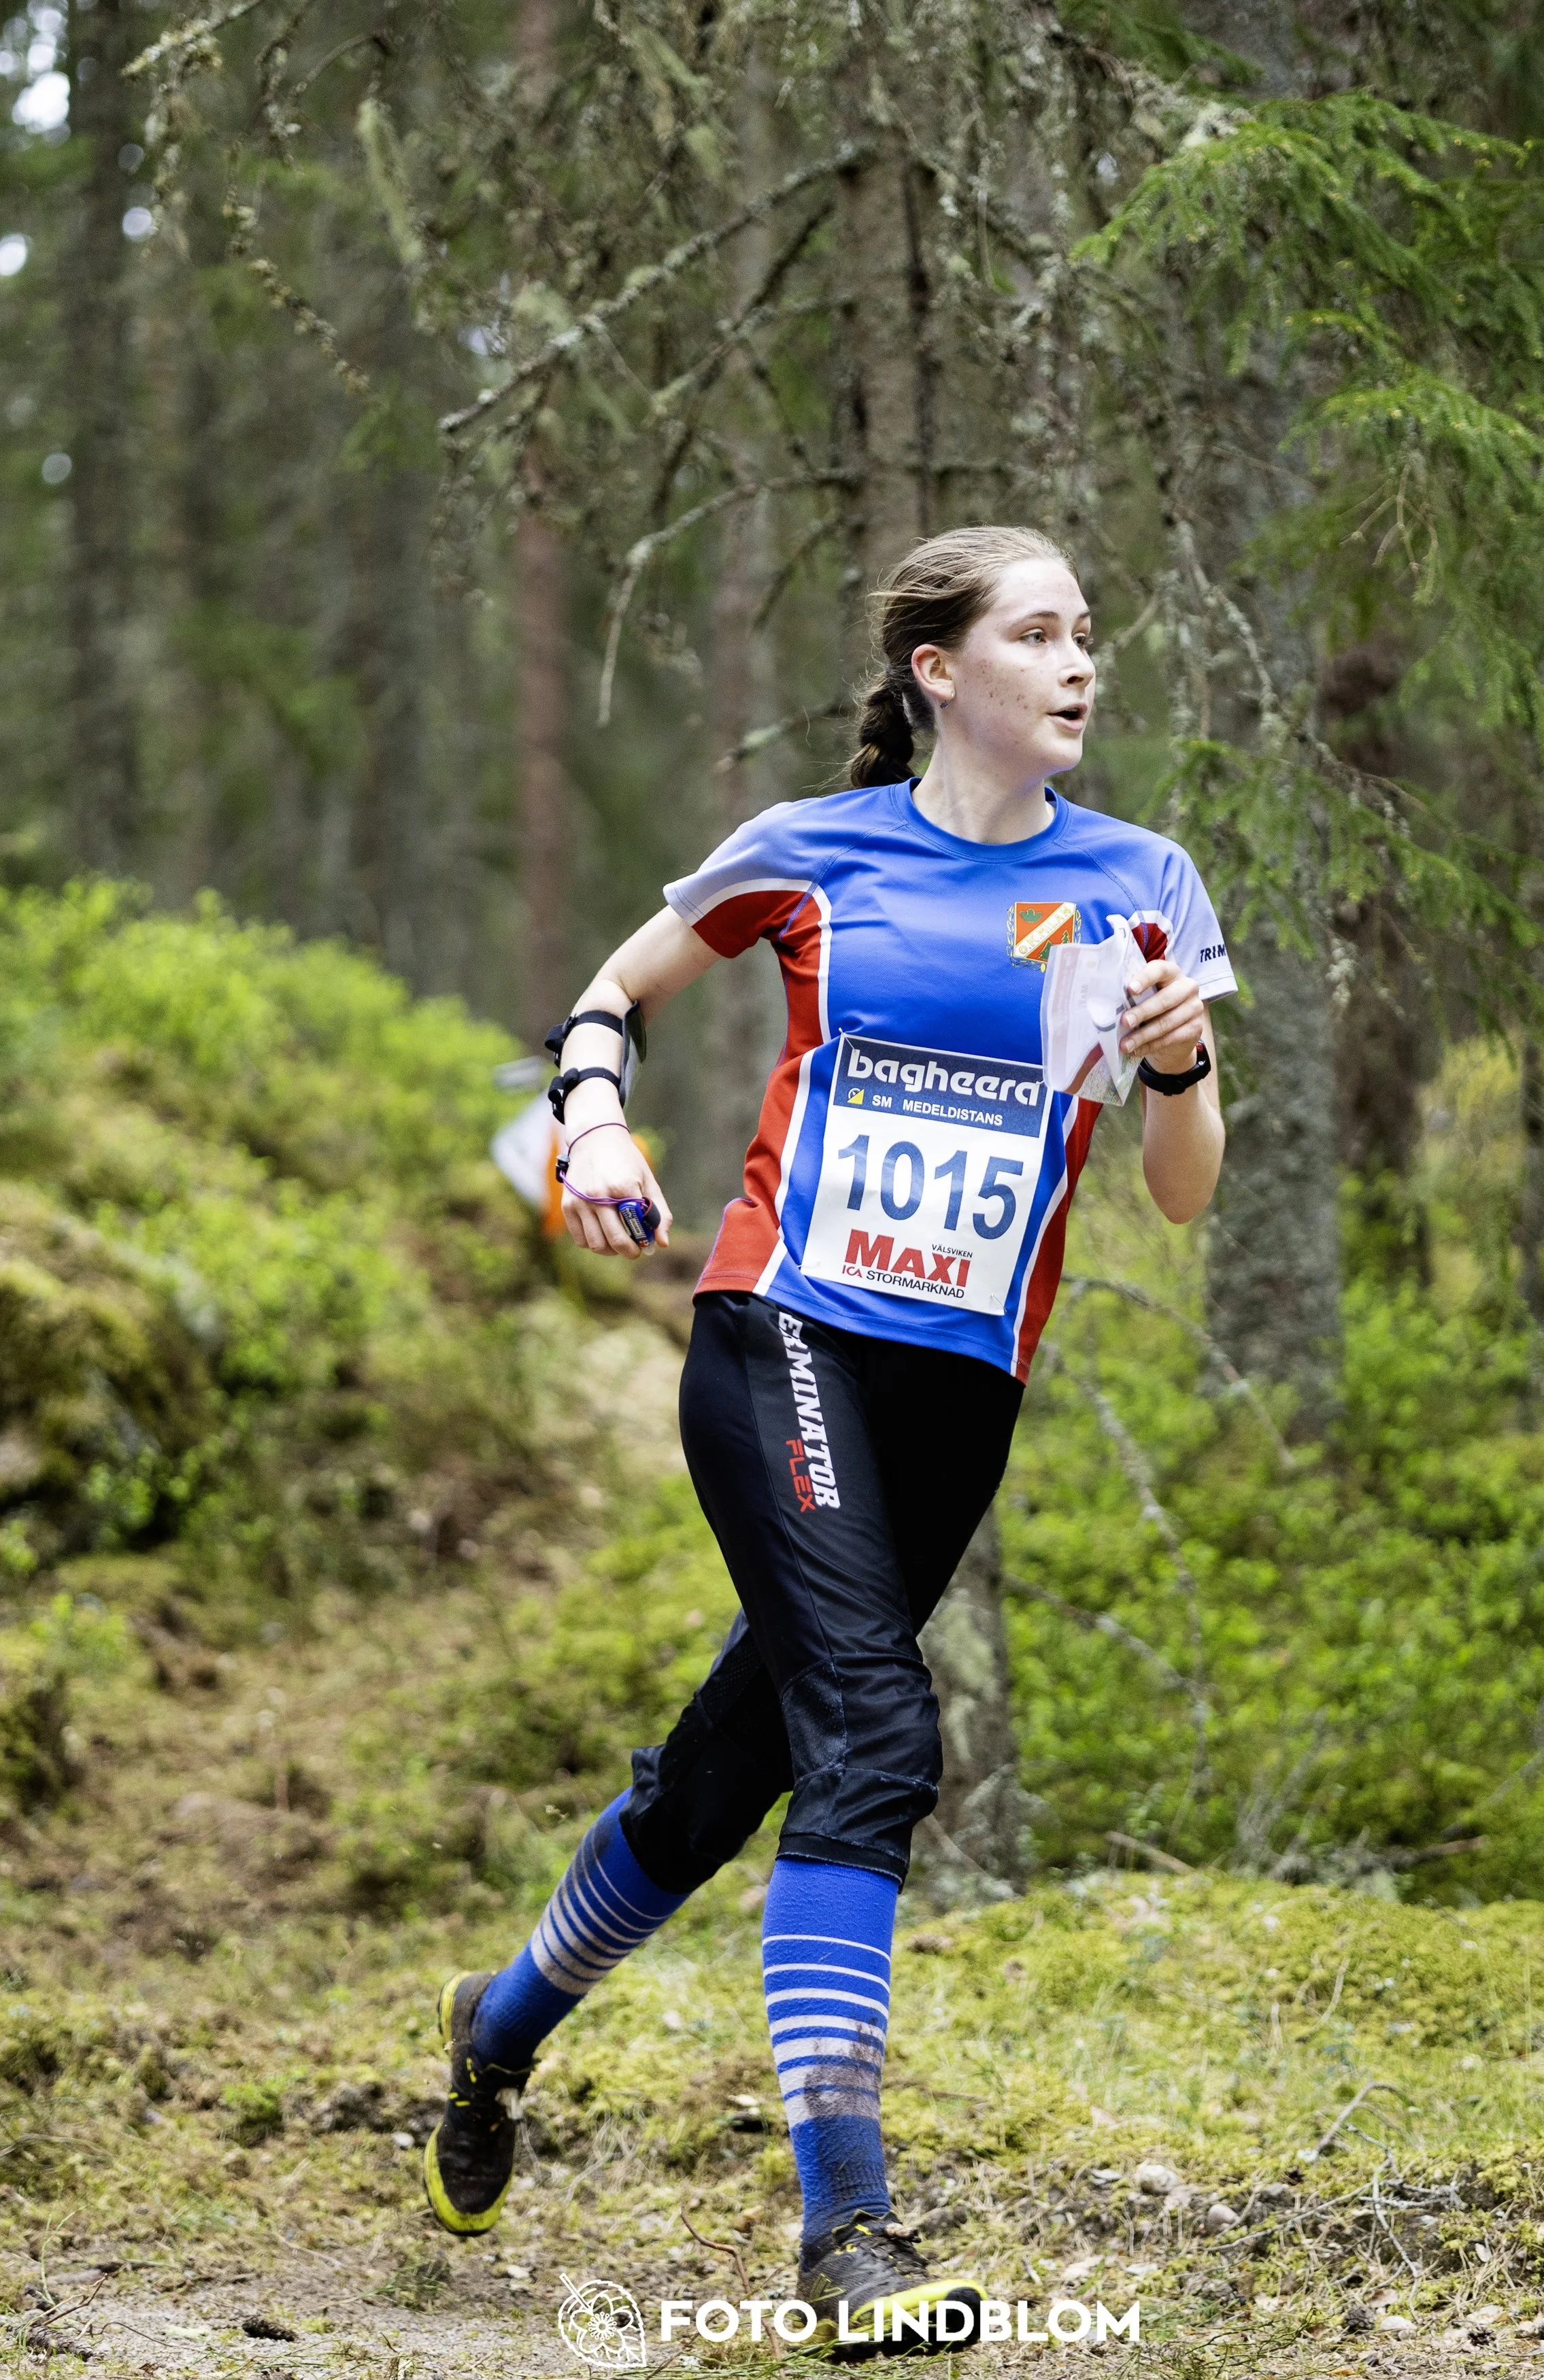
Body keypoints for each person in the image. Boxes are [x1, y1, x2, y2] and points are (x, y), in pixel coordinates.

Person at [422, 525, 1235, 2344]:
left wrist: (1177, 1062)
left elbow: (1180, 1196)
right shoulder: (812, 849)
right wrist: (597, 1128)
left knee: (726, 1772)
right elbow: (612, 991)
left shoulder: (1141, 882)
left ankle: (497, 2027)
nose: (1077, 658)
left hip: (956, 1391)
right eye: (1037, 631)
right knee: (870, 1735)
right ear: (941, 670)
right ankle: (846, 2235)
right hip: (781, 1329)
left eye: (1087, 631)